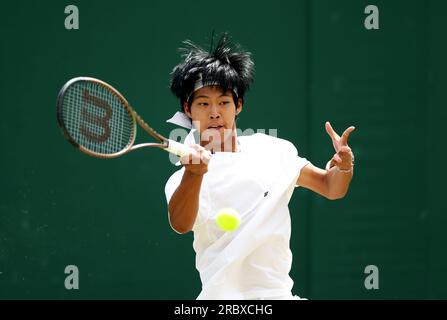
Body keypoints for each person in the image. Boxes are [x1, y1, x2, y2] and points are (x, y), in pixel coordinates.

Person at [164, 33, 355, 300]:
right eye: (203, 104)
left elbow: (330, 187)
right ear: (188, 109)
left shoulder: (274, 151)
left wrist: (344, 168)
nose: (215, 112)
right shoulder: (181, 179)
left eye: (224, 102)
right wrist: (193, 174)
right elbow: (181, 224)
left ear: (238, 105)